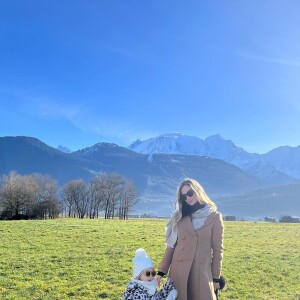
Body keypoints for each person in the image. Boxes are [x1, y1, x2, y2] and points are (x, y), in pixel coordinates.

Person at [156, 178, 224, 300]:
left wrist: (215, 278)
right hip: (178, 272)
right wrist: (161, 272)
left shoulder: (214, 217)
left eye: (190, 193)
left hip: (201, 273)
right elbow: (171, 247)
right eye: (183, 197)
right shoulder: (179, 217)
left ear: (198, 191)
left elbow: (218, 250)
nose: (187, 198)